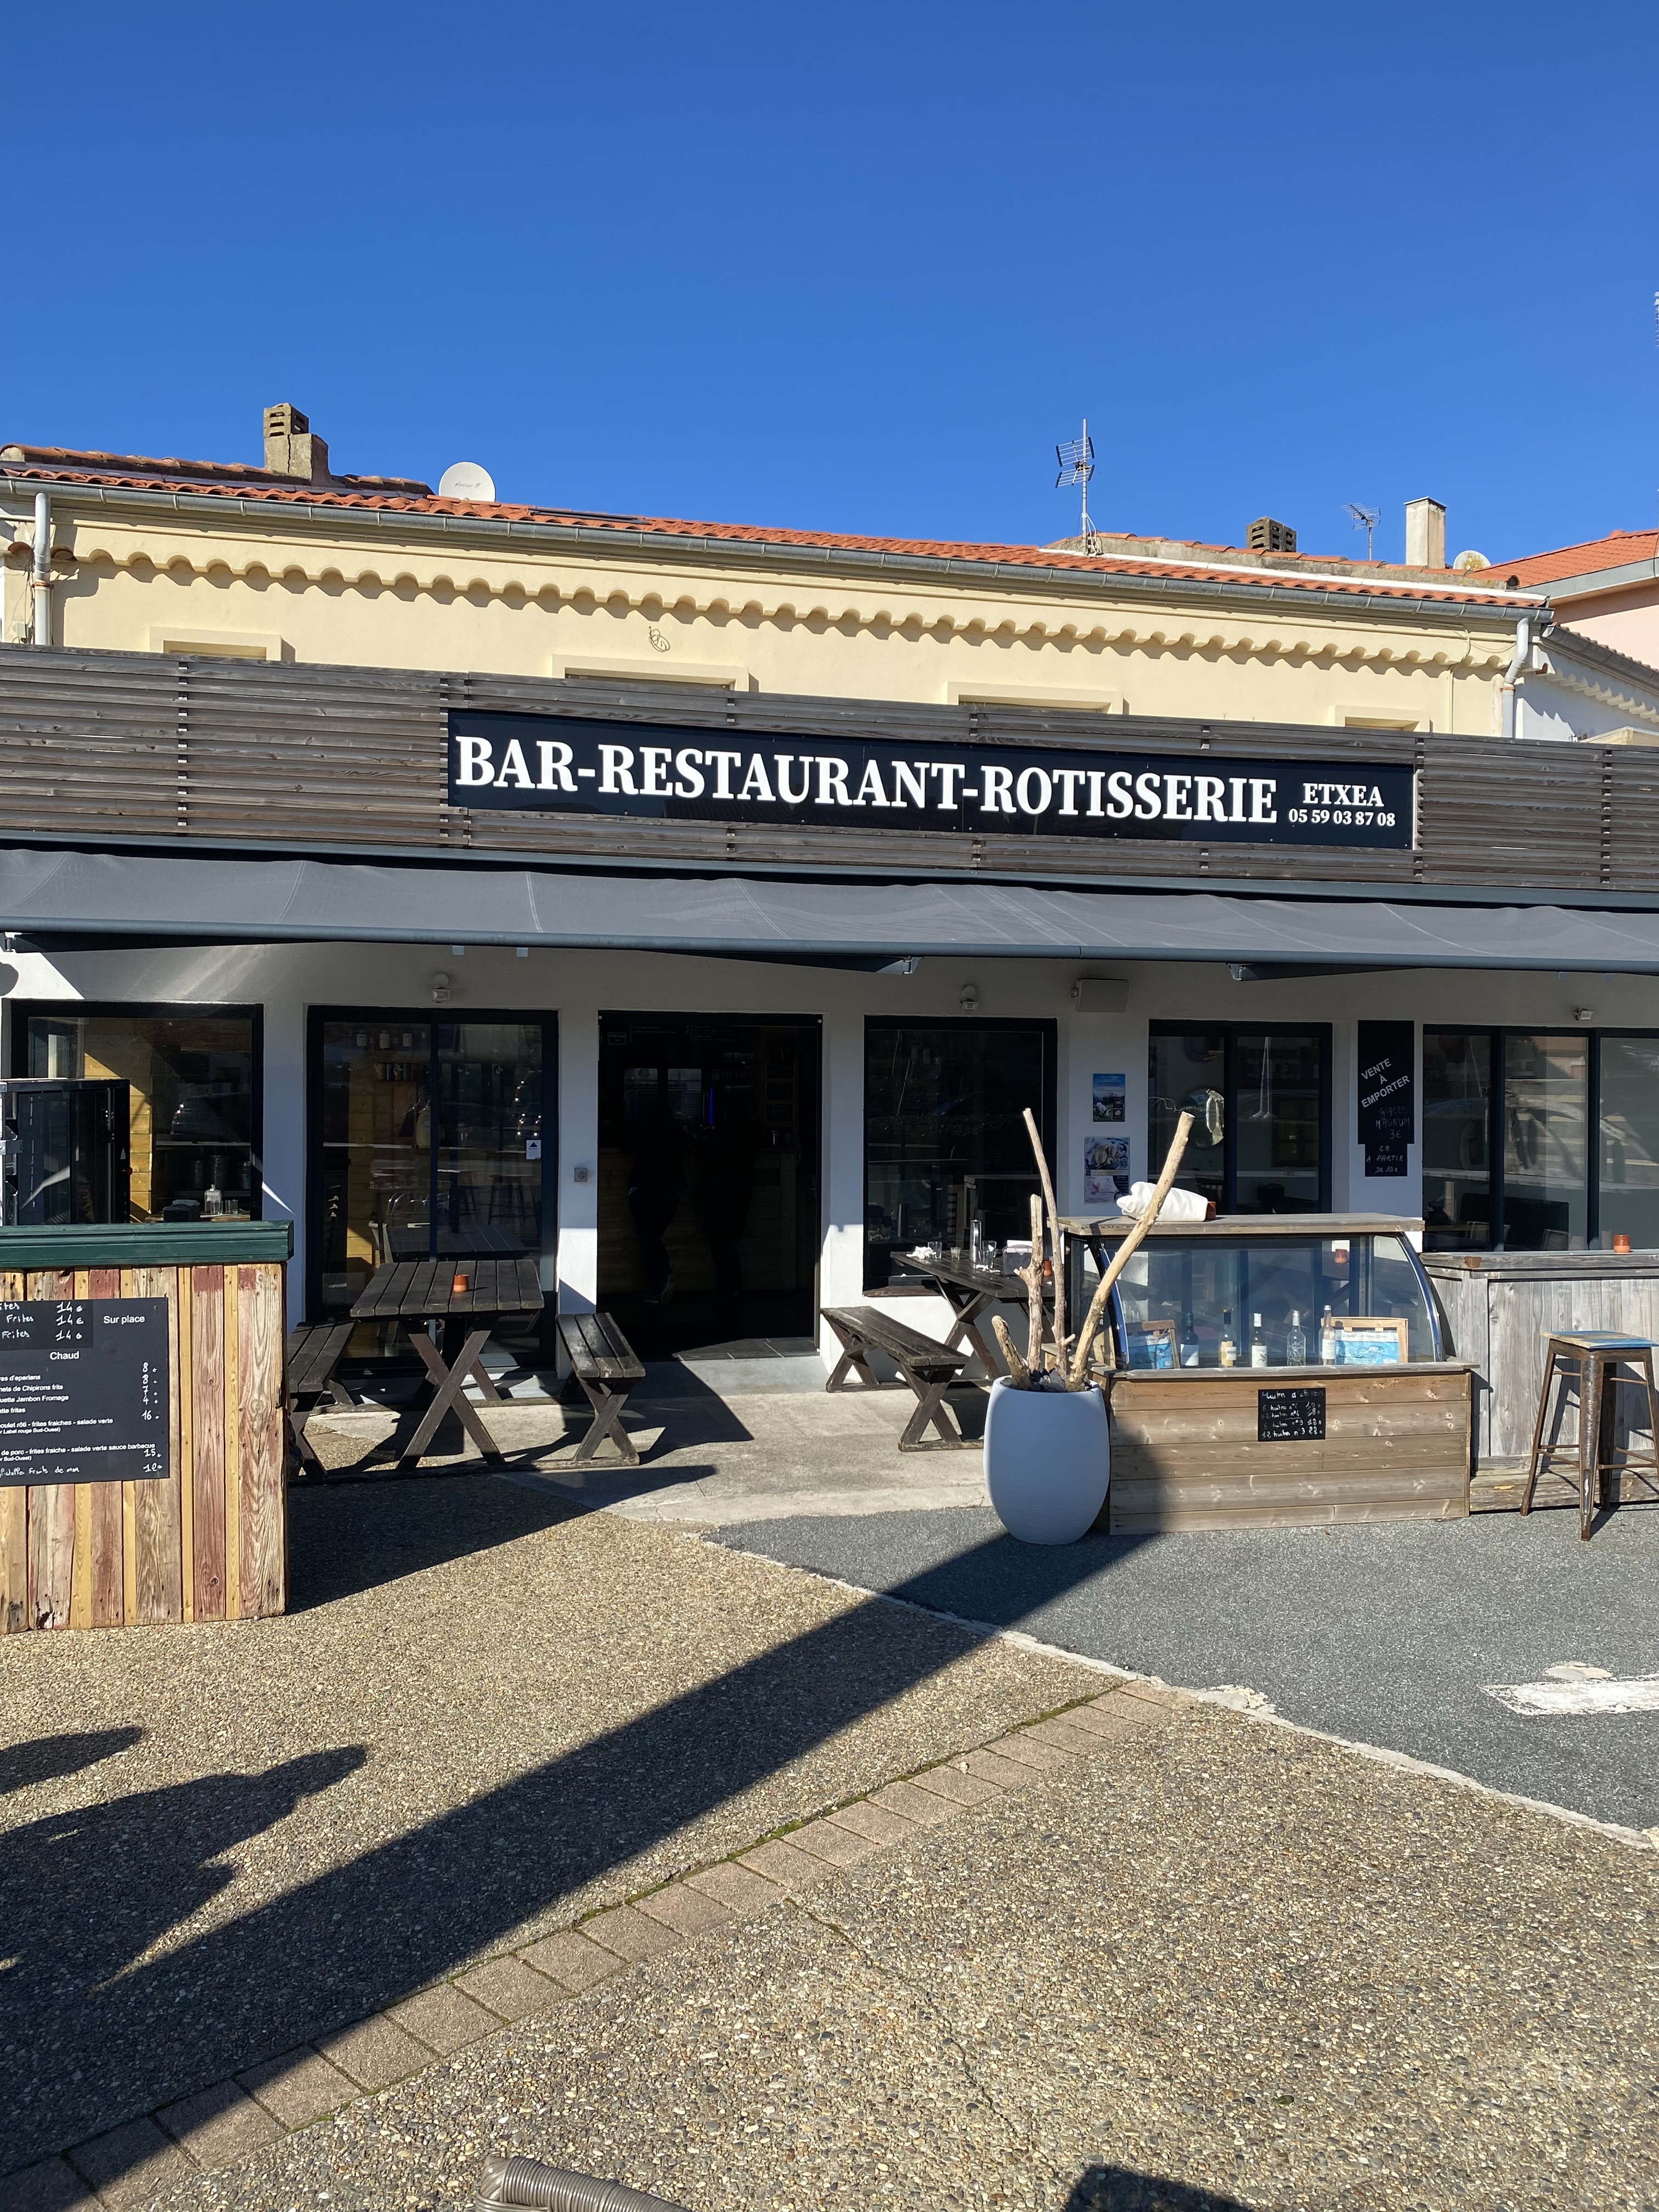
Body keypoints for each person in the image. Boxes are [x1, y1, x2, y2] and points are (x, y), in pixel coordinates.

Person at [625, 1098, 685, 1301]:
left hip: (643, 1190)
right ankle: (661, 1283)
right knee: (652, 1239)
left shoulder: (641, 1131)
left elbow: (627, 1147)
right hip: (669, 1192)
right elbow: (691, 1145)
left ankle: (659, 1284)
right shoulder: (675, 1132)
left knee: (648, 1240)